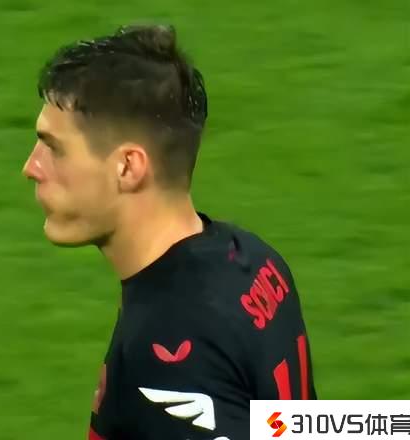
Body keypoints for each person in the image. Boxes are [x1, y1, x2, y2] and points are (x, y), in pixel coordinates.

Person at [22, 24, 317, 440]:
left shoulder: (167, 353)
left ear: (128, 167)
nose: (32, 167)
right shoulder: (254, 259)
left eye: (54, 148)